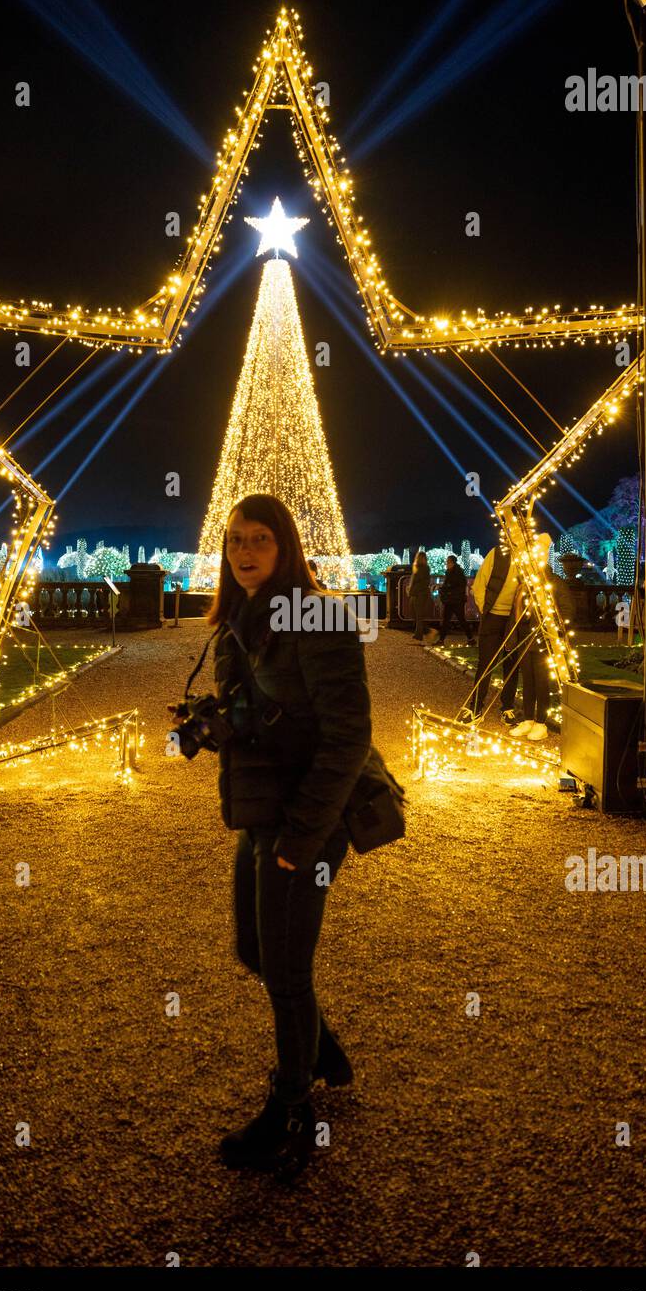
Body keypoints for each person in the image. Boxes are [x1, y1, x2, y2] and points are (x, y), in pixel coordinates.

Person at [204, 494, 373, 1175]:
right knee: (252, 947)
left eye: (261, 539)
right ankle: (320, 1050)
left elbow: (348, 736)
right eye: (236, 539)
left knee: (286, 969)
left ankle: (293, 1107)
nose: (245, 552)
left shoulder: (320, 616)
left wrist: (301, 839)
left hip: (307, 818)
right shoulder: (234, 623)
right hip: (261, 809)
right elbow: (254, 715)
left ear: (288, 547)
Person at [510, 533, 559, 743]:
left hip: (542, 641)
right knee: (528, 682)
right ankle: (528, 718)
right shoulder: (525, 584)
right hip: (525, 641)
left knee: (542, 684)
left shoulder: (552, 583)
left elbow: (565, 610)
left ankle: (541, 722)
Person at [467, 541, 521, 722]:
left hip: (515, 618)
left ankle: (507, 707)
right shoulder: (497, 553)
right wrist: (485, 609)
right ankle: (476, 707)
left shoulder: (529, 556)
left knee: (512, 666)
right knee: (485, 664)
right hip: (493, 615)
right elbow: (480, 583)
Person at [433, 555, 472, 646]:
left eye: (447, 562)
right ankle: (442, 640)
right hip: (454, 600)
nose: (446, 564)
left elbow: (452, 585)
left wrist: (442, 587)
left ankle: (470, 638)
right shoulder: (454, 571)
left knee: (457, 620)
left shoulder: (455, 572)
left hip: (455, 600)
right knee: (450, 620)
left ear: (452, 562)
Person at [406, 549, 434, 642]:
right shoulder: (418, 568)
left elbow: (422, 582)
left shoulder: (423, 568)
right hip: (416, 594)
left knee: (418, 615)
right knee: (414, 613)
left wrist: (413, 590)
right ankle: (428, 631)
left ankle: (419, 635)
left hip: (420, 595)